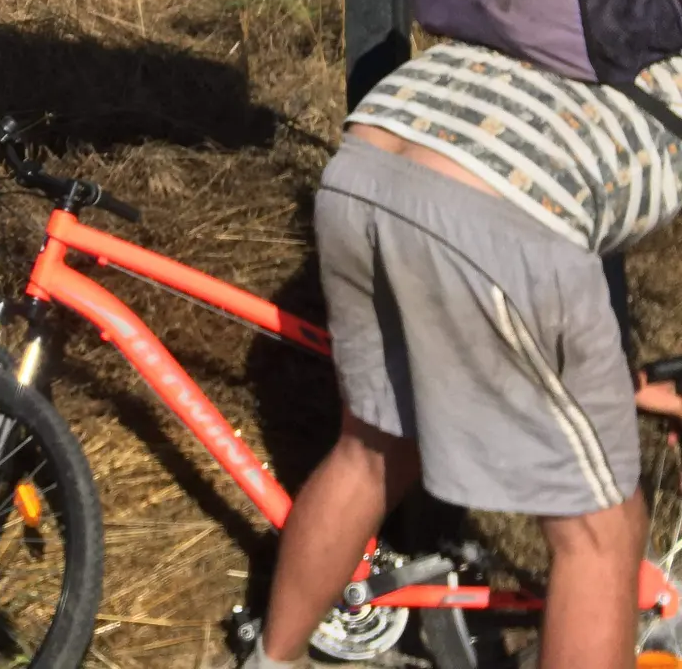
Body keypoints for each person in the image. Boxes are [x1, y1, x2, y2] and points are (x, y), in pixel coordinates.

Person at [252, 38, 682, 669]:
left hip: (373, 157)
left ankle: (269, 661)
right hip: (501, 206)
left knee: (375, 448)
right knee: (600, 535)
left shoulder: (621, 9)